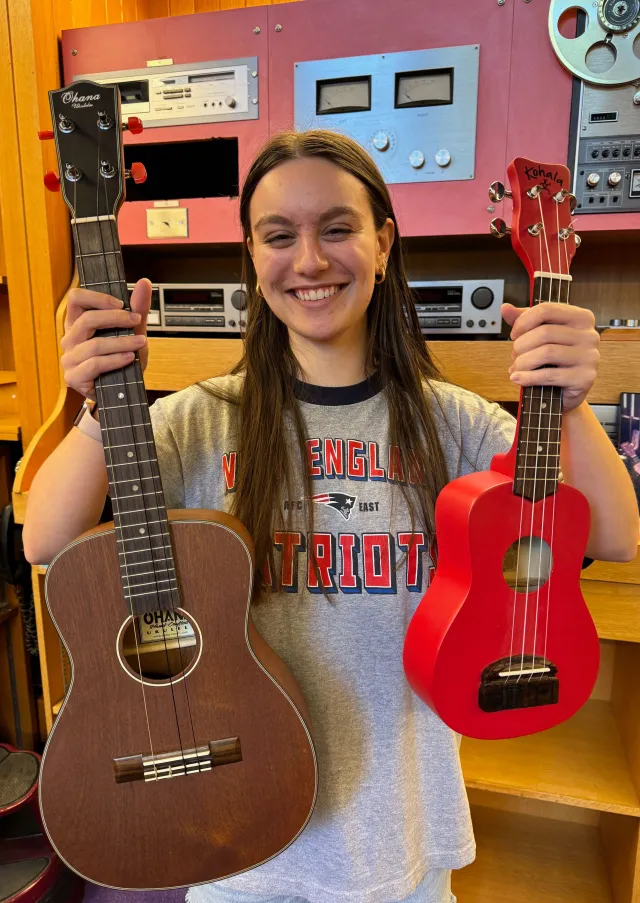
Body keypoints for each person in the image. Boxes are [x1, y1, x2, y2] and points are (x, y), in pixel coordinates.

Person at [23, 130, 639, 903]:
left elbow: (616, 537)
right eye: (279, 236)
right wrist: (92, 403)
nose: (309, 260)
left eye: (338, 228)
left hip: (404, 835)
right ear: (253, 257)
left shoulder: (458, 426)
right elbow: (45, 538)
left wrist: (574, 403)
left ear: (383, 243)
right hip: (236, 837)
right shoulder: (199, 422)